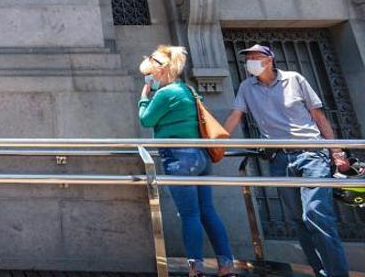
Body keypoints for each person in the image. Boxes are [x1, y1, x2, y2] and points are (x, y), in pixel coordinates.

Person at [224, 44, 349, 277]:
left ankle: (337, 274)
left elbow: (318, 116)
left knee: (315, 214)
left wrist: (337, 152)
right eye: (247, 58)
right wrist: (216, 144)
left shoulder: (294, 78)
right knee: (299, 220)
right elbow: (235, 116)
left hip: (311, 154)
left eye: (254, 57)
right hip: (279, 159)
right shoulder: (246, 87)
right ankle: (320, 271)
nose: (249, 61)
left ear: (269, 60)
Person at [138, 46, 235, 277]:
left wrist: (144, 96)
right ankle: (226, 265)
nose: (147, 78)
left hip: (178, 157)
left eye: (148, 74)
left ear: (159, 72)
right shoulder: (187, 90)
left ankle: (196, 268)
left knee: (190, 214)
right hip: (200, 156)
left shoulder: (164, 93)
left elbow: (146, 120)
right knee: (207, 211)